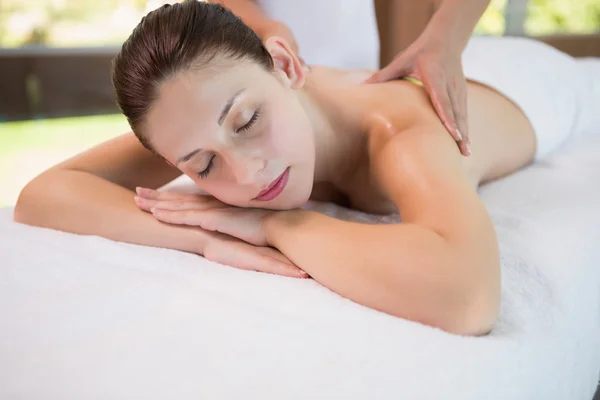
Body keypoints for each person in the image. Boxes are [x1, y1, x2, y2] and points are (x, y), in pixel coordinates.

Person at [14, 1, 599, 336]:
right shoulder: (203, 115)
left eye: (248, 122)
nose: (245, 176)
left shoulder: (400, 136)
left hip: (533, 80)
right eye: (202, 166)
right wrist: (201, 237)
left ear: (285, 65)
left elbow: (469, 297)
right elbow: (44, 194)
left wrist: (275, 227)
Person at [214, 0, 493, 156]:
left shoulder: (392, 135)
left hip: (350, 68)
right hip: (263, 58)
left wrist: (446, 40)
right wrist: (267, 29)